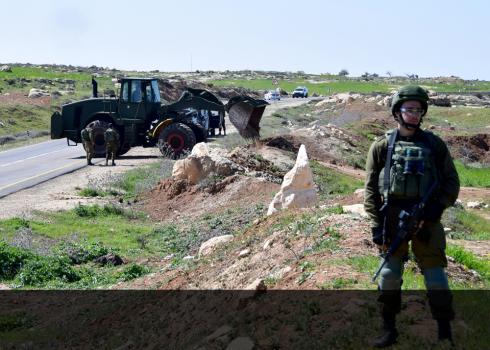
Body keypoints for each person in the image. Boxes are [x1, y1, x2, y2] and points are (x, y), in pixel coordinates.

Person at [364, 85, 460, 347]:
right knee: (388, 276)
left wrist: (434, 210)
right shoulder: (382, 145)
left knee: (436, 277)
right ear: (397, 112)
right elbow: (371, 188)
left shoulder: (434, 144)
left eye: (419, 110)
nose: (414, 114)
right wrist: (376, 225)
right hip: (392, 219)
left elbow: (452, 183)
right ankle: (389, 330)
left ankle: (444, 333)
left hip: (427, 219)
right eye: (409, 109)